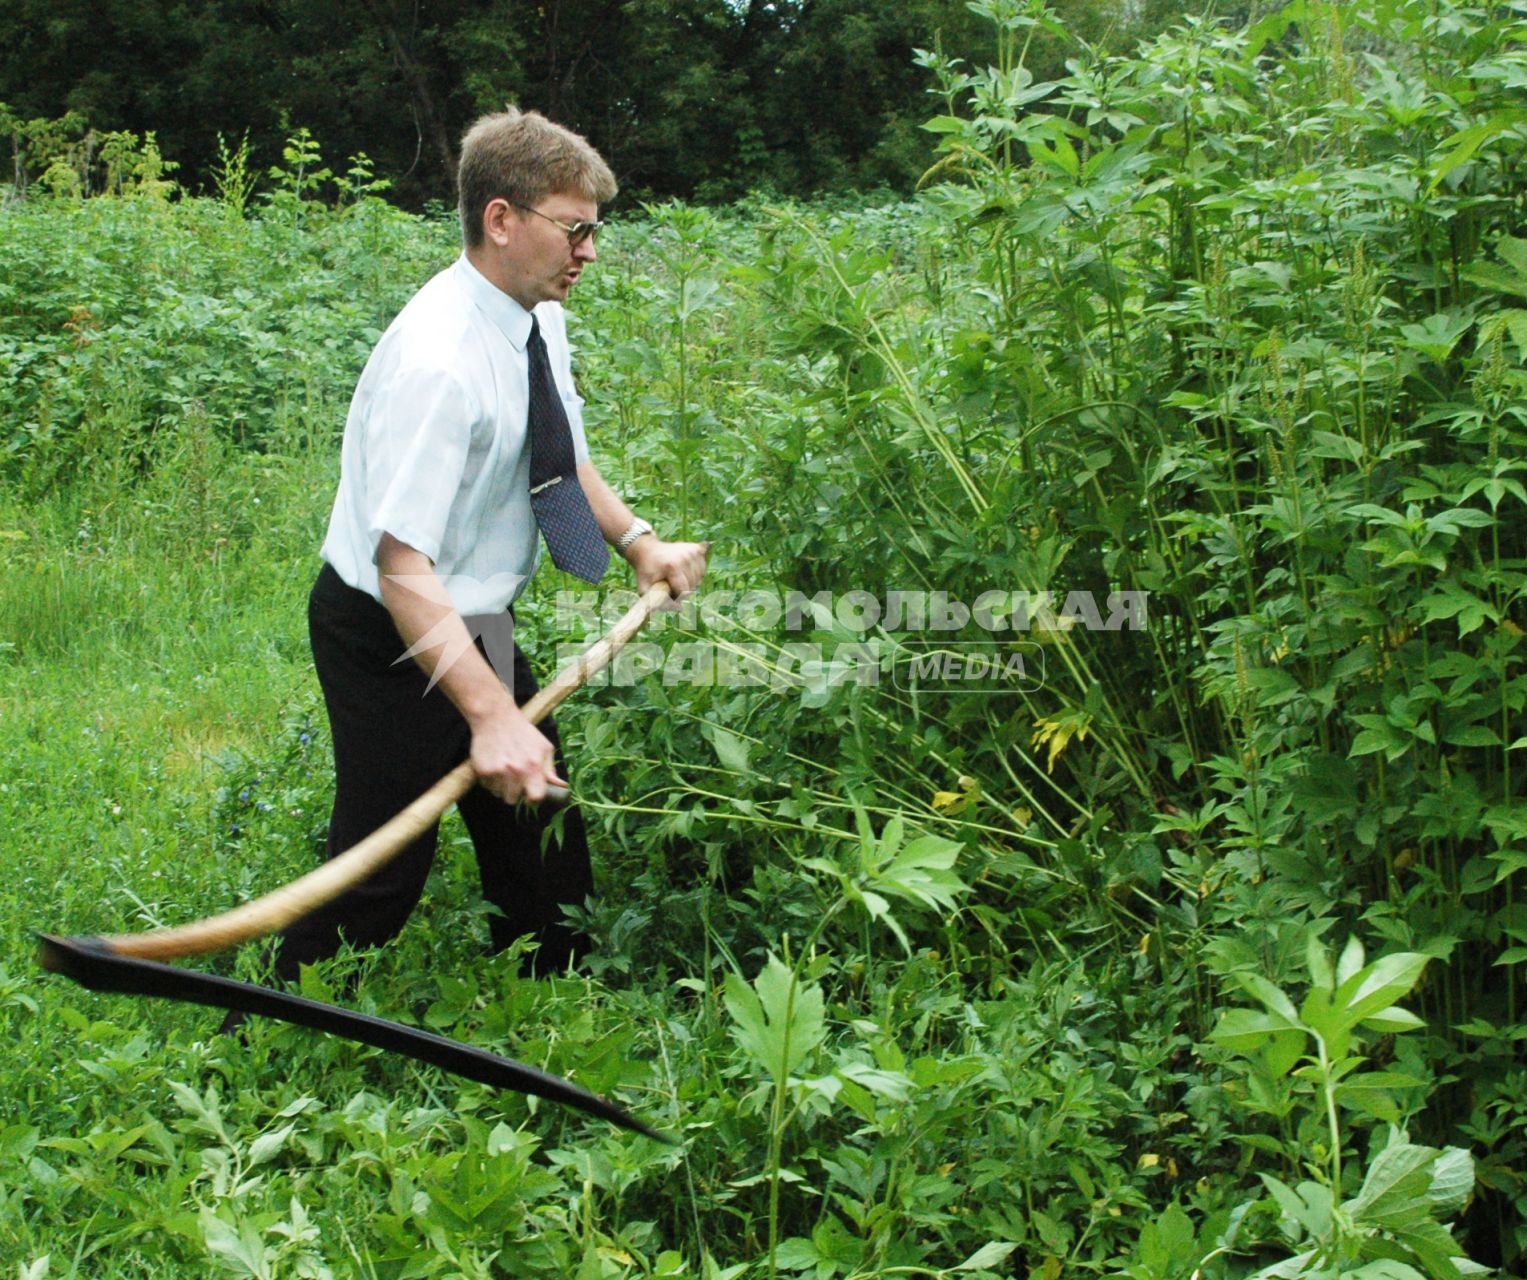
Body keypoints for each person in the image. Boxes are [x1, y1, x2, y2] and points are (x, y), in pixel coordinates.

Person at [244, 108, 708, 1006]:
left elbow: (559, 450)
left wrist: (639, 542)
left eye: (593, 232)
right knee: (380, 869)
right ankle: (267, 1031)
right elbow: (402, 569)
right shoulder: (438, 363)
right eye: (574, 230)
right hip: (390, 631)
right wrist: (491, 715)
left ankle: (553, 998)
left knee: (538, 828)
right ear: (501, 219)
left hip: (473, 613)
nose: (589, 252)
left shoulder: (532, 313)